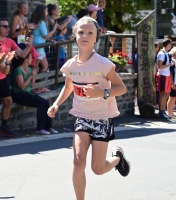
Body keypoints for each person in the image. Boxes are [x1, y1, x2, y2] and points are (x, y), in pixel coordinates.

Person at [47, 17, 130, 200]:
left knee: (98, 169)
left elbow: (121, 88)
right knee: (78, 162)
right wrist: (56, 104)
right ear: (75, 36)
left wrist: (102, 92)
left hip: (102, 119)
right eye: (81, 32)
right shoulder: (71, 65)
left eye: (90, 33)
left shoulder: (103, 64)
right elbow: (68, 87)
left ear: (95, 38)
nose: (85, 35)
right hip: (81, 117)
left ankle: (118, 158)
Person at [0, 18, 33, 139]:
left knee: (8, 101)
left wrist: (30, 45)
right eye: (4, 27)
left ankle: (4, 126)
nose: (7, 29)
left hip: (2, 76)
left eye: (8, 26)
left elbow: (22, 54)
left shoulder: (10, 41)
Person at [12, 54, 58, 135]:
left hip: (28, 93)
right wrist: (31, 75)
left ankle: (48, 127)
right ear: (26, 59)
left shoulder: (29, 69)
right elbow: (22, 87)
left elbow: (32, 85)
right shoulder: (18, 70)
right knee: (41, 103)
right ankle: (40, 128)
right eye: (30, 57)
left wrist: (33, 76)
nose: (32, 59)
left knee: (46, 103)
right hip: (19, 94)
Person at [29, 4, 58, 93]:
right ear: (43, 12)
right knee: (38, 67)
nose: (47, 12)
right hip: (38, 48)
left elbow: (42, 36)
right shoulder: (41, 22)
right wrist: (54, 29)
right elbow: (45, 36)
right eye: (46, 10)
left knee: (41, 66)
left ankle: (38, 86)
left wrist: (51, 39)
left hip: (39, 47)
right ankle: (36, 87)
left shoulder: (39, 21)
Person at [10, 2, 38, 68]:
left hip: (22, 41)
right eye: (24, 8)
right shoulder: (15, 19)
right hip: (16, 43)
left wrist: (30, 28)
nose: (26, 10)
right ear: (19, 9)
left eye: (27, 8)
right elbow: (12, 35)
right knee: (19, 63)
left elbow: (25, 33)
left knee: (26, 61)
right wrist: (25, 28)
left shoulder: (25, 19)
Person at [157, 38, 174, 119]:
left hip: (166, 75)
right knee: (162, 93)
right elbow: (160, 66)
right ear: (167, 45)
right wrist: (169, 65)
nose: (171, 46)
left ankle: (163, 110)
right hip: (162, 75)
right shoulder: (161, 53)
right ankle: (161, 111)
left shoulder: (167, 53)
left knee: (166, 93)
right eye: (170, 44)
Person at [167, 46, 176, 119]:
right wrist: (172, 83)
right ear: (175, 54)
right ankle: (169, 113)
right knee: (172, 97)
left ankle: (171, 112)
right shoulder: (173, 61)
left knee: (173, 98)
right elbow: (170, 73)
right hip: (174, 83)